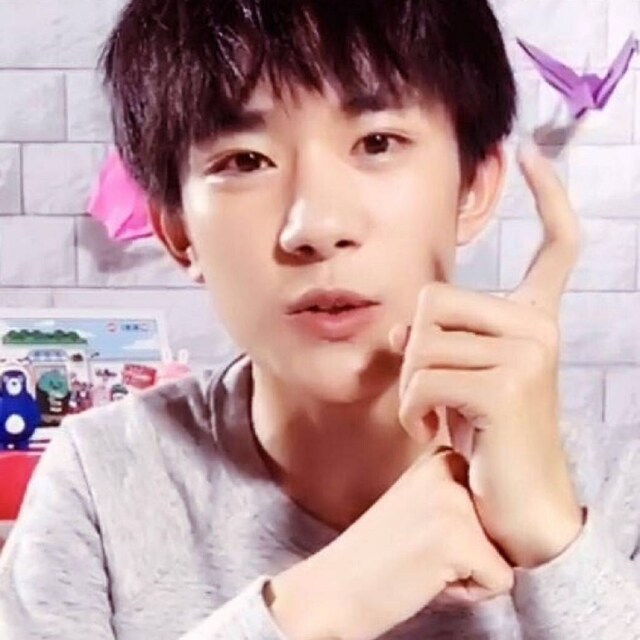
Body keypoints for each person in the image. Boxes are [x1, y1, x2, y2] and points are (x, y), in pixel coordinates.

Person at [1, 1, 639, 638]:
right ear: (178, 230)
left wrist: (555, 544)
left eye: (377, 143)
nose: (316, 226)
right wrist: (326, 603)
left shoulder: (616, 489)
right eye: (245, 161)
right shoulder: (102, 483)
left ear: (472, 187)